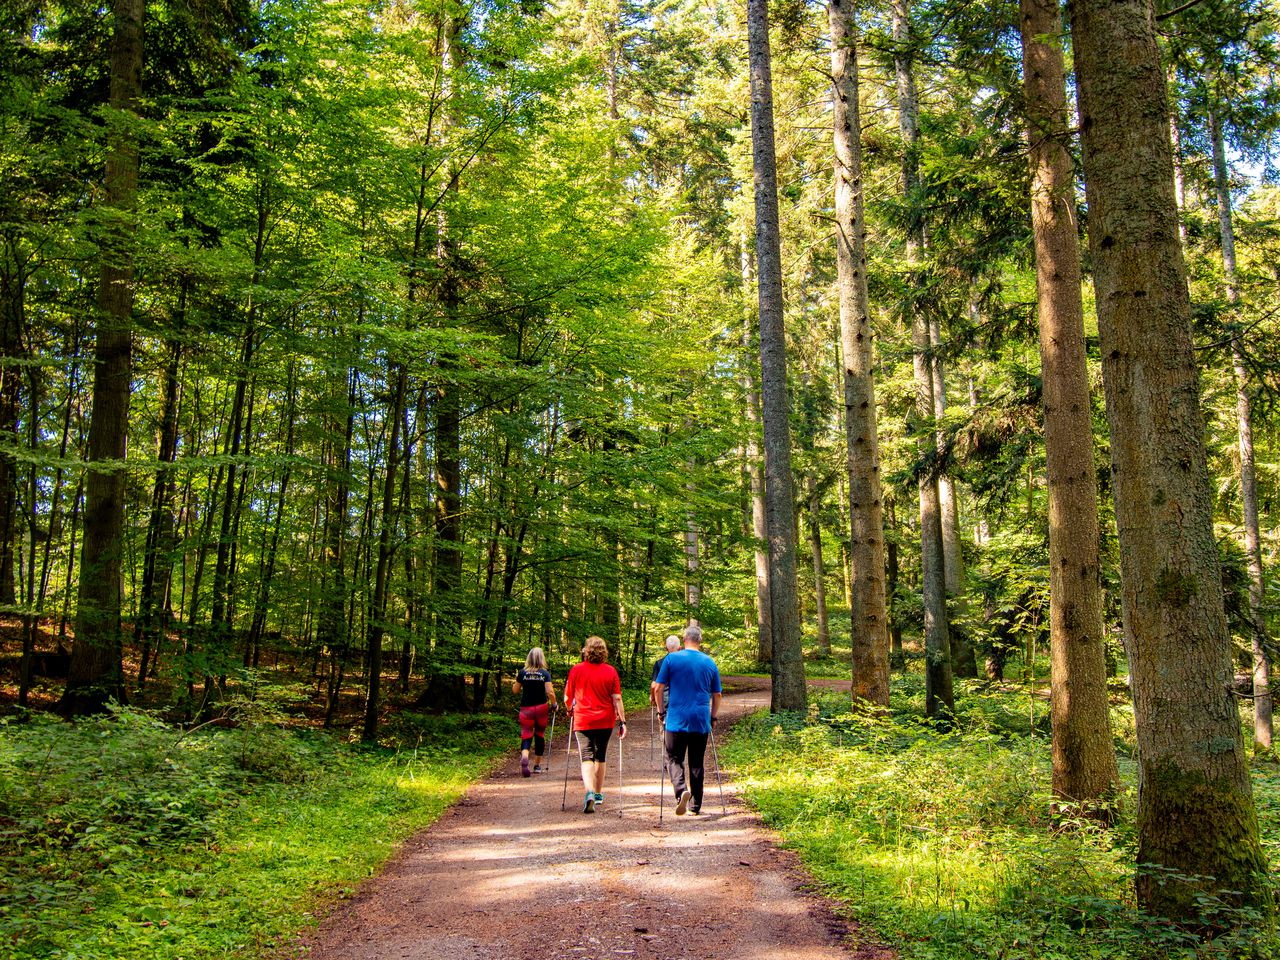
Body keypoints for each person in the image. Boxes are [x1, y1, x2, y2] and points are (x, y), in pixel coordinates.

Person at [654, 622, 721, 816]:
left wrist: (660, 712)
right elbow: (717, 695)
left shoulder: (671, 659)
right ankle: (695, 805)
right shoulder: (709, 662)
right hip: (700, 719)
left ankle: (681, 790)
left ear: (684, 640)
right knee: (697, 761)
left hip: (676, 719)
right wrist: (713, 716)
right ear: (700, 641)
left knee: (674, 758)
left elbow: (658, 688)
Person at [563, 635, 627, 813]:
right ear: (604, 652)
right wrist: (622, 720)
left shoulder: (576, 670)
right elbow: (617, 698)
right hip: (605, 719)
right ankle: (598, 794)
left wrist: (569, 709)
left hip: (583, 719)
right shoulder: (610, 671)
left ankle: (589, 792)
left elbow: (568, 697)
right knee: (600, 756)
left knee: (586, 756)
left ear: (586, 651)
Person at [512, 647, 557, 777]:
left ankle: (525, 756)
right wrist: (554, 704)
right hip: (541, 708)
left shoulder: (522, 673)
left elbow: (515, 691)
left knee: (526, 734)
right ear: (541, 658)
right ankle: (537, 765)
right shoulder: (544, 673)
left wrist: (518, 681)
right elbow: (550, 692)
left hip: (526, 708)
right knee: (540, 734)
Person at [650, 634, 682, 719]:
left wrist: (653, 698)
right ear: (680, 648)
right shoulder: (685, 663)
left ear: (666, 648)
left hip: (664, 702)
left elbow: (654, 686)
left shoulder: (659, 663)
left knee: (664, 727)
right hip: (681, 702)